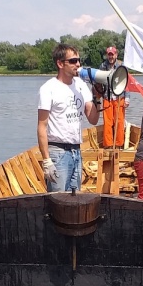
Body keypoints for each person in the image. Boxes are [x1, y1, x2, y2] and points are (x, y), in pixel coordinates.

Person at [37, 43, 99, 192]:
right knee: (58, 200)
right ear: (60, 63)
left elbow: (93, 119)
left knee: (74, 199)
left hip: (76, 151)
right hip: (58, 152)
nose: (77, 64)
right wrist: (47, 161)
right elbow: (41, 126)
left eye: (79, 60)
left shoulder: (80, 85)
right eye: (72, 61)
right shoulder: (48, 89)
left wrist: (97, 96)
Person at [98, 45, 128, 147]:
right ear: (107, 55)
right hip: (107, 97)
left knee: (119, 122)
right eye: (109, 55)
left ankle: (119, 144)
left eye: (112, 54)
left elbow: (127, 83)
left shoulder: (121, 66)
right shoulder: (103, 66)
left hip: (120, 98)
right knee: (108, 122)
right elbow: (98, 82)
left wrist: (127, 98)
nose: (110, 57)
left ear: (116, 55)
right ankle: (109, 145)